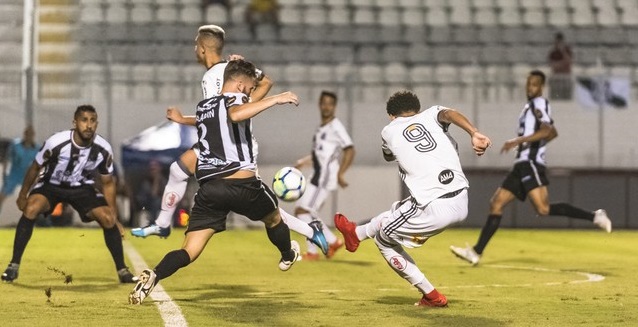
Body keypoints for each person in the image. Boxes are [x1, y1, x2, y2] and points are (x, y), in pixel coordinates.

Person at [130, 25, 329, 256]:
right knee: (180, 169)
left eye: (196, 45)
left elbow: (262, 87)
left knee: (257, 205)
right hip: (220, 142)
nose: (195, 49)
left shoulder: (221, 72)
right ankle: (163, 224)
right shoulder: (217, 73)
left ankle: (309, 230)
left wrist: (254, 91)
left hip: (233, 146)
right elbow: (213, 115)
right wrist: (182, 119)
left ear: (203, 49)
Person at [129, 59, 303, 304]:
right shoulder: (238, 100)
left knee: (189, 250)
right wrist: (276, 99)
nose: (252, 93)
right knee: (274, 217)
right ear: (241, 85)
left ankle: (155, 274)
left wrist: (181, 119)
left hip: (210, 189)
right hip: (242, 185)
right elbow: (235, 113)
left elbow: (207, 120)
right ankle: (287, 254)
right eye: (251, 89)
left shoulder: (204, 106)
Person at [334, 90, 492, 307]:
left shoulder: (388, 131)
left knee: (384, 239)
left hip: (433, 206)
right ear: (416, 109)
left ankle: (431, 296)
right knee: (398, 211)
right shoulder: (432, 114)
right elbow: (451, 113)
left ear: (392, 115)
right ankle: (356, 233)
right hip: (461, 198)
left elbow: (388, 155)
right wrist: (474, 132)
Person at [450, 70, 612, 266]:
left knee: (543, 209)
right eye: (528, 83)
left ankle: (595, 216)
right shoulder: (529, 107)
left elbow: (548, 131)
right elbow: (552, 133)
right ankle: (476, 252)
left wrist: (519, 141)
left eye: (534, 84)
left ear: (541, 87)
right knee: (496, 204)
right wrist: (533, 142)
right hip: (521, 164)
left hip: (530, 163)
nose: (530, 87)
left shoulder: (539, 104)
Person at [1, 105, 138, 283]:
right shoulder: (56, 142)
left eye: (93, 120)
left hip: (82, 187)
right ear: (75, 123)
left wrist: (115, 216)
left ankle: (122, 271)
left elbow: (107, 182)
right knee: (31, 208)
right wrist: (22, 195)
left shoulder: (103, 148)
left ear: (97, 123)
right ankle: (13, 266)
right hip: (51, 185)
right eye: (84, 120)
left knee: (107, 218)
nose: (88, 125)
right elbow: (35, 167)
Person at [294, 91, 354, 260]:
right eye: (324, 103)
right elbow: (318, 154)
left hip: (324, 176)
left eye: (330, 104)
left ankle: (330, 241)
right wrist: (302, 162)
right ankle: (318, 249)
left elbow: (349, 149)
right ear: (319, 104)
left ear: (334, 107)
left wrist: (341, 173)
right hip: (316, 174)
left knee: (303, 211)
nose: (327, 106)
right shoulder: (322, 128)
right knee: (305, 212)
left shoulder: (336, 126)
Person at [0, 126, 39, 214]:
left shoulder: (36, 148)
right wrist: (5, 173)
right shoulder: (16, 145)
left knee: (35, 198)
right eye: (27, 134)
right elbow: (8, 159)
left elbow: (39, 164)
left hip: (27, 176)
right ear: (24, 134)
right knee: (1, 196)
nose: (29, 136)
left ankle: (35, 220)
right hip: (14, 174)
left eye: (31, 134)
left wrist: (37, 178)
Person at [547, 32, 573, 100]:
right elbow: (552, 65)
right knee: (555, 97)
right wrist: (562, 64)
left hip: (565, 75)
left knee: (566, 97)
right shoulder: (553, 52)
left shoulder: (567, 50)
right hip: (556, 76)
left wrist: (563, 51)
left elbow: (568, 62)